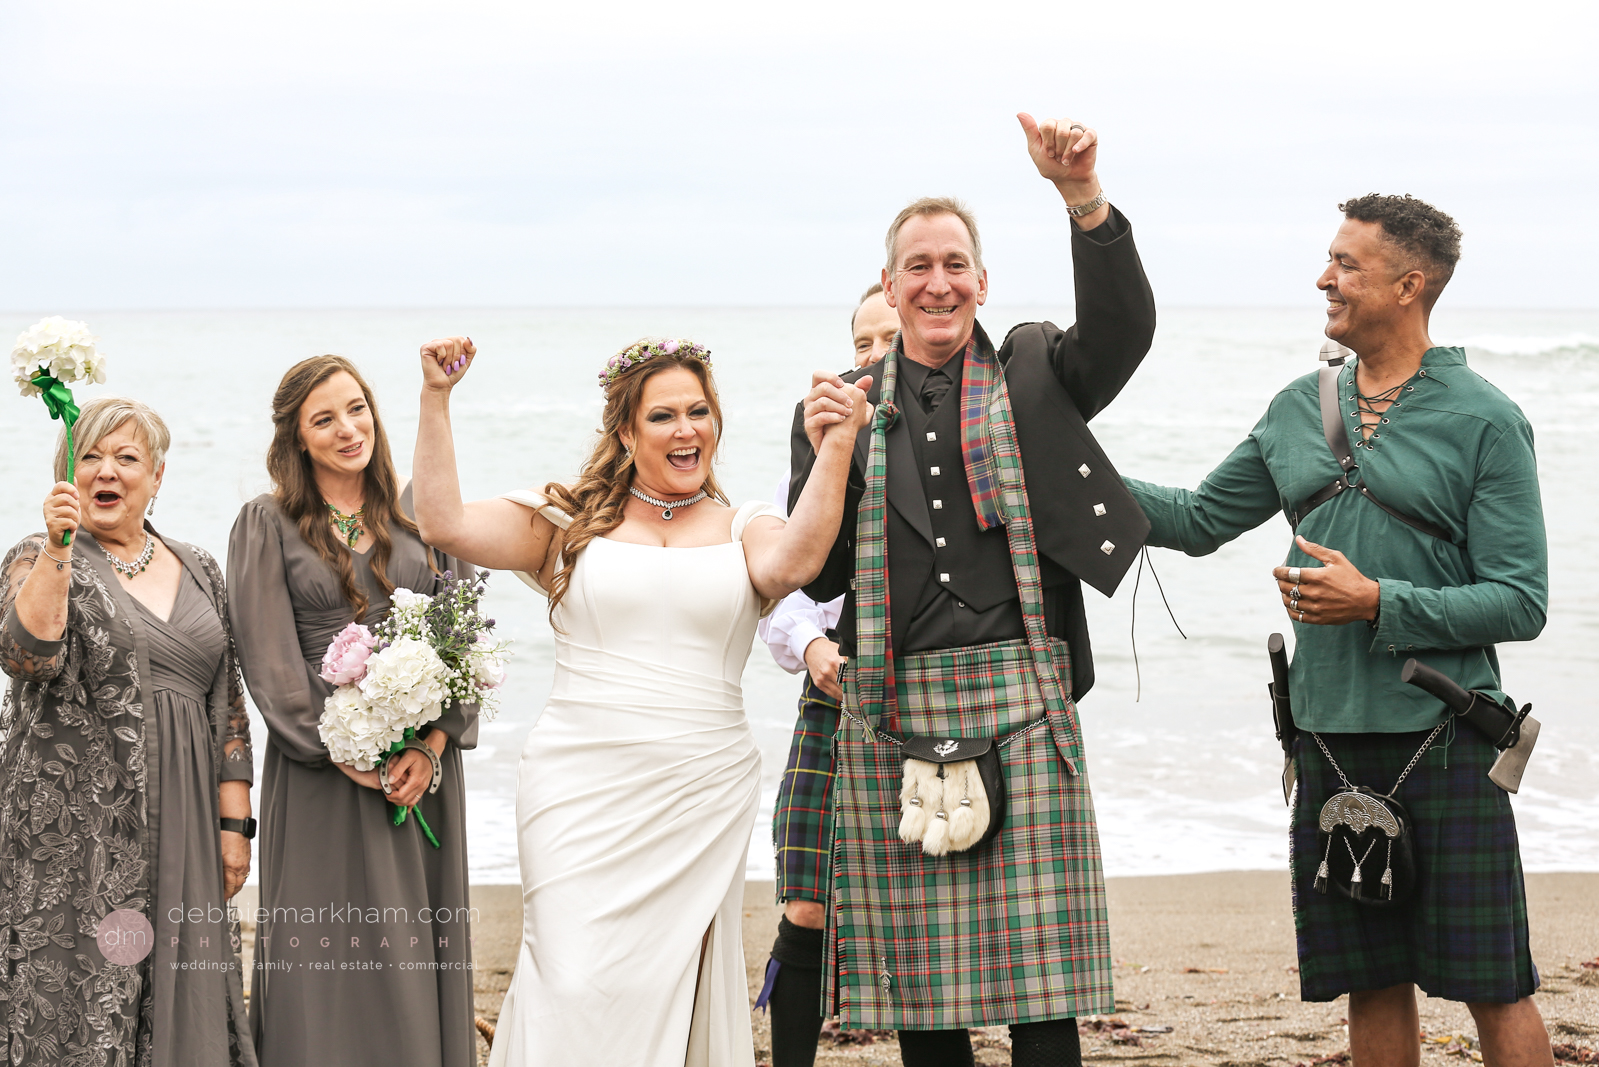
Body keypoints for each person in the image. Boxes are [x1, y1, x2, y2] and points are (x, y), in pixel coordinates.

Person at [1124, 195, 1553, 1067]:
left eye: (1347, 264)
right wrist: (1064, 468)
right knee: (1372, 979)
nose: (1325, 277)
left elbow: (1522, 599)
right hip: (1325, 739)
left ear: (1410, 283)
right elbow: (1200, 517)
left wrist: (1378, 603)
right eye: (1329, 258)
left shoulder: (1485, 419)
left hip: (1448, 735)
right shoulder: (1295, 407)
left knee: (1493, 982)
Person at [791, 113, 1156, 1065]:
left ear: (982, 282)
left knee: (1044, 999)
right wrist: (828, 452)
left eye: (955, 262)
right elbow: (817, 572)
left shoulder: (1035, 366)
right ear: (890, 285)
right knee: (925, 1000)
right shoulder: (841, 407)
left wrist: (1082, 197)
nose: (938, 280)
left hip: (1025, 694)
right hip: (897, 699)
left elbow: (1125, 329)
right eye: (917, 265)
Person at [409, 332, 866, 1066]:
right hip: (577, 785)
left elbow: (800, 562)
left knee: (666, 985)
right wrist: (436, 397)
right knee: (571, 977)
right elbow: (442, 521)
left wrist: (837, 440)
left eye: (699, 411)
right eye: (663, 416)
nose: (687, 430)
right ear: (626, 430)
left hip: (698, 789)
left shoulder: (744, 525)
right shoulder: (568, 525)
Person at [227, 356, 479, 1067]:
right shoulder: (265, 524)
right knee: (325, 967)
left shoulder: (422, 513)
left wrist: (428, 747)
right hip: (322, 780)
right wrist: (352, 753)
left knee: (415, 965)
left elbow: (465, 640)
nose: (348, 429)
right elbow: (269, 663)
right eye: (324, 419)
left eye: (357, 408)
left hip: (422, 774)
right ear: (297, 440)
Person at [1, 397, 257, 1066]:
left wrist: (236, 824)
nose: (106, 471)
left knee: (186, 981)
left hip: (188, 825)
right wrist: (59, 546)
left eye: (126, 458)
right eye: (90, 457)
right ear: (68, 472)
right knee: (87, 990)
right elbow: (28, 654)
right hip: (81, 833)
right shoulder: (36, 556)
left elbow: (227, 696)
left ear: (158, 476)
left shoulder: (200, 565)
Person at [757, 282, 895, 1066]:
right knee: (807, 900)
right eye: (863, 343)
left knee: (921, 908)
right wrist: (814, 650)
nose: (874, 357)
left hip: (927, 691)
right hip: (833, 690)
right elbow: (783, 577)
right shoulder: (820, 433)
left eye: (890, 338)